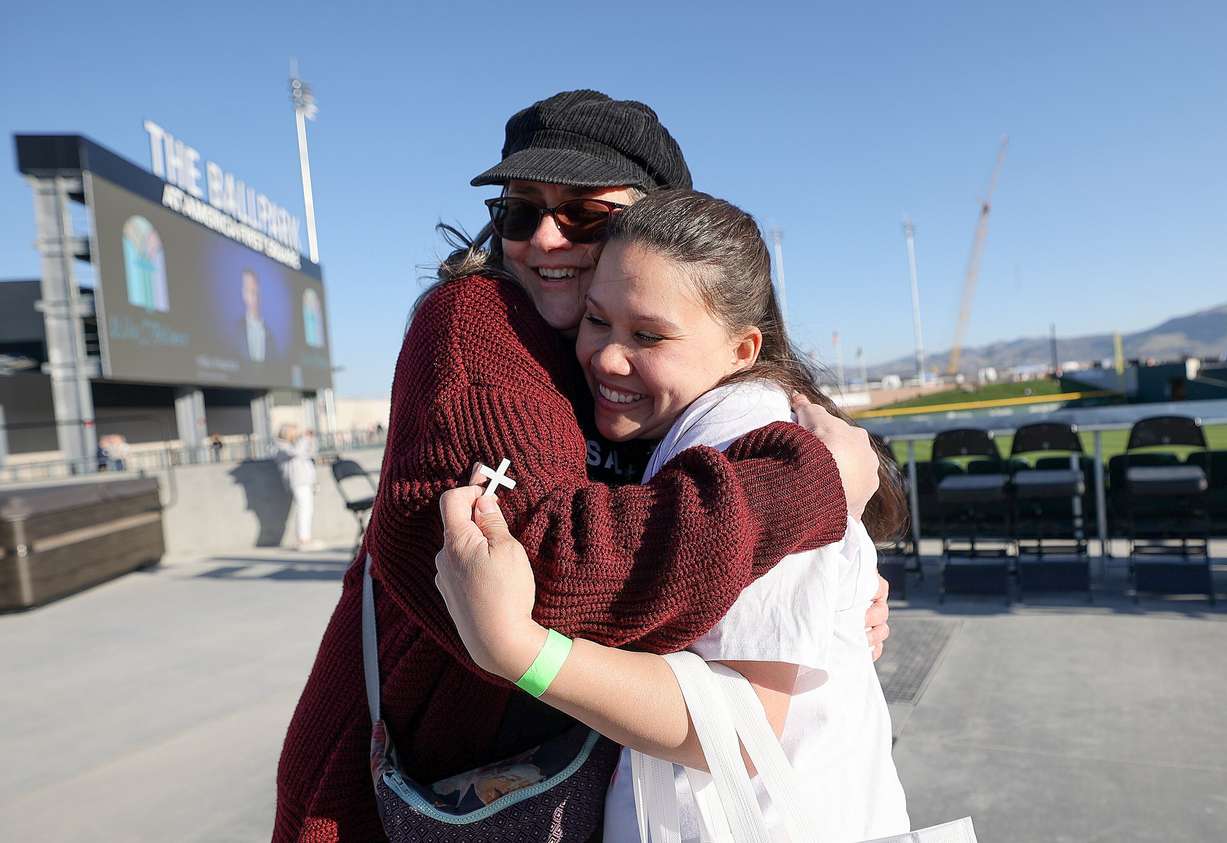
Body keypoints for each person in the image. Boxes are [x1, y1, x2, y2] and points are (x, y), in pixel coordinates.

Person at [274, 90, 892, 841]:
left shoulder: (641, 379)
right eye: (519, 212)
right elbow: (543, 570)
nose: (544, 239)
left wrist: (820, 606)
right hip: (404, 791)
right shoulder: (476, 322)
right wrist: (807, 487)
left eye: (585, 217)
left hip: (536, 790)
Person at [436, 190, 910, 842]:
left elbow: (746, 727)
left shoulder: (749, 442)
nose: (606, 356)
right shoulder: (706, 432)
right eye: (597, 321)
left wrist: (521, 650)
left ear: (743, 349)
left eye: (648, 335)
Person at [276, 424, 320, 551]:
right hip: (298, 482)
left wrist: (310, 440)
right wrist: (304, 439)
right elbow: (296, 453)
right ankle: (302, 539)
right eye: (293, 432)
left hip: (306, 481)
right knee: (303, 509)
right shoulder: (282, 446)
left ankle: (306, 537)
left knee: (308, 509)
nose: (297, 434)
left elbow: (310, 453)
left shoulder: (295, 445)